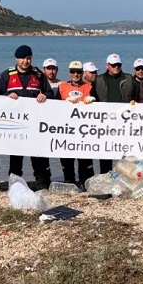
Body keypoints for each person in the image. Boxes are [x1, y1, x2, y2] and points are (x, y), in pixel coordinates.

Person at [0, 44, 53, 188]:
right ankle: (15, 185)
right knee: (15, 157)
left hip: (35, 124)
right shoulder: (7, 75)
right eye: (22, 58)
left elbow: (50, 93)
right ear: (16, 58)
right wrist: (7, 96)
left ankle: (43, 185)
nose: (25, 61)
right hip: (15, 126)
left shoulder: (38, 74)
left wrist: (44, 95)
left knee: (39, 156)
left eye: (28, 58)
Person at [90, 53, 135, 173]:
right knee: (106, 153)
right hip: (106, 124)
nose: (116, 67)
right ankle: (106, 176)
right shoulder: (98, 80)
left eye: (118, 65)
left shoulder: (129, 79)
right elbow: (93, 98)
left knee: (126, 153)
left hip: (125, 123)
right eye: (113, 65)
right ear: (107, 65)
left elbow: (138, 97)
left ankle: (126, 177)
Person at [57, 60, 95, 188]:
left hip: (84, 130)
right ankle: (69, 182)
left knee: (85, 159)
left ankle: (86, 183)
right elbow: (53, 106)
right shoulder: (62, 87)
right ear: (69, 73)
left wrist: (94, 99)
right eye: (73, 72)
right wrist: (63, 102)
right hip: (67, 130)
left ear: (82, 73)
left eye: (78, 72)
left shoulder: (89, 87)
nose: (75, 74)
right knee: (67, 159)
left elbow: (99, 107)